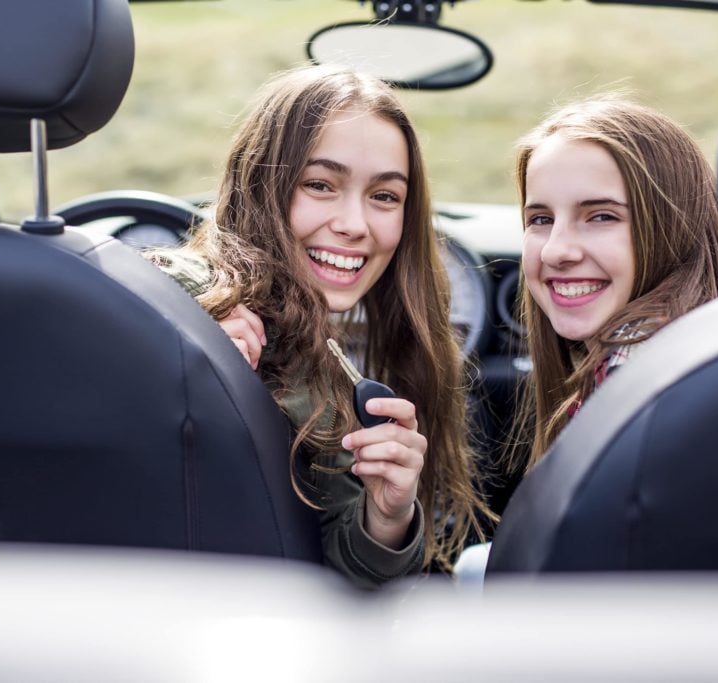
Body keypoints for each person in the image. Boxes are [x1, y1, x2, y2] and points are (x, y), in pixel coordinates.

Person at [149, 65, 494, 589]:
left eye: (384, 196)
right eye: (319, 185)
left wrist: (387, 517)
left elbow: (343, 582)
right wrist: (180, 341)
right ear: (260, 184)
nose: (354, 224)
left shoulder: (327, 373)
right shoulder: (182, 298)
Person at [512, 95, 718, 472]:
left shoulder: (636, 374)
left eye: (601, 216)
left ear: (673, 227)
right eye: (540, 219)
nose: (556, 251)